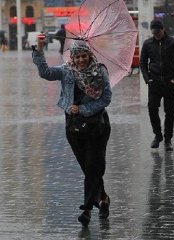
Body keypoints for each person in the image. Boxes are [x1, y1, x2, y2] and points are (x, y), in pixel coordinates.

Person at [32, 36, 112, 227]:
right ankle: (103, 198)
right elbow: (45, 72)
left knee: (93, 165)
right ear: (73, 58)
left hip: (96, 125)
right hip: (73, 127)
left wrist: (84, 109)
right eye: (77, 57)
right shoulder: (66, 71)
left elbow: (106, 98)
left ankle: (86, 210)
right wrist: (39, 50)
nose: (81, 60)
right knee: (87, 167)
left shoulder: (99, 71)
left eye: (84, 56)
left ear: (89, 55)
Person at [140, 19, 174, 151]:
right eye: (154, 33)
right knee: (152, 109)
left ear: (163, 29)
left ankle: (168, 139)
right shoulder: (148, 44)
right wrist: (147, 79)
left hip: (169, 83)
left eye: (158, 32)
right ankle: (158, 135)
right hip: (154, 83)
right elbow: (143, 63)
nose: (156, 35)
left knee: (169, 112)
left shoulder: (173, 43)